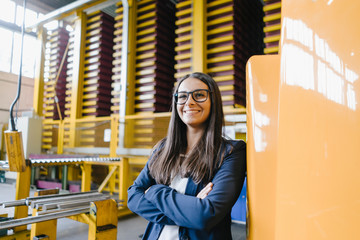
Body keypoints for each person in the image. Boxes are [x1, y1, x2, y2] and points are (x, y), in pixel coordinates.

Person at [127, 72, 246, 240]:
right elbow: (133, 196)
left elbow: (206, 215)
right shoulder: (163, 148)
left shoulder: (231, 152)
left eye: (199, 95)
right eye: (182, 96)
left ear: (213, 101)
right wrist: (189, 210)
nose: (189, 102)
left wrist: (155, 191)